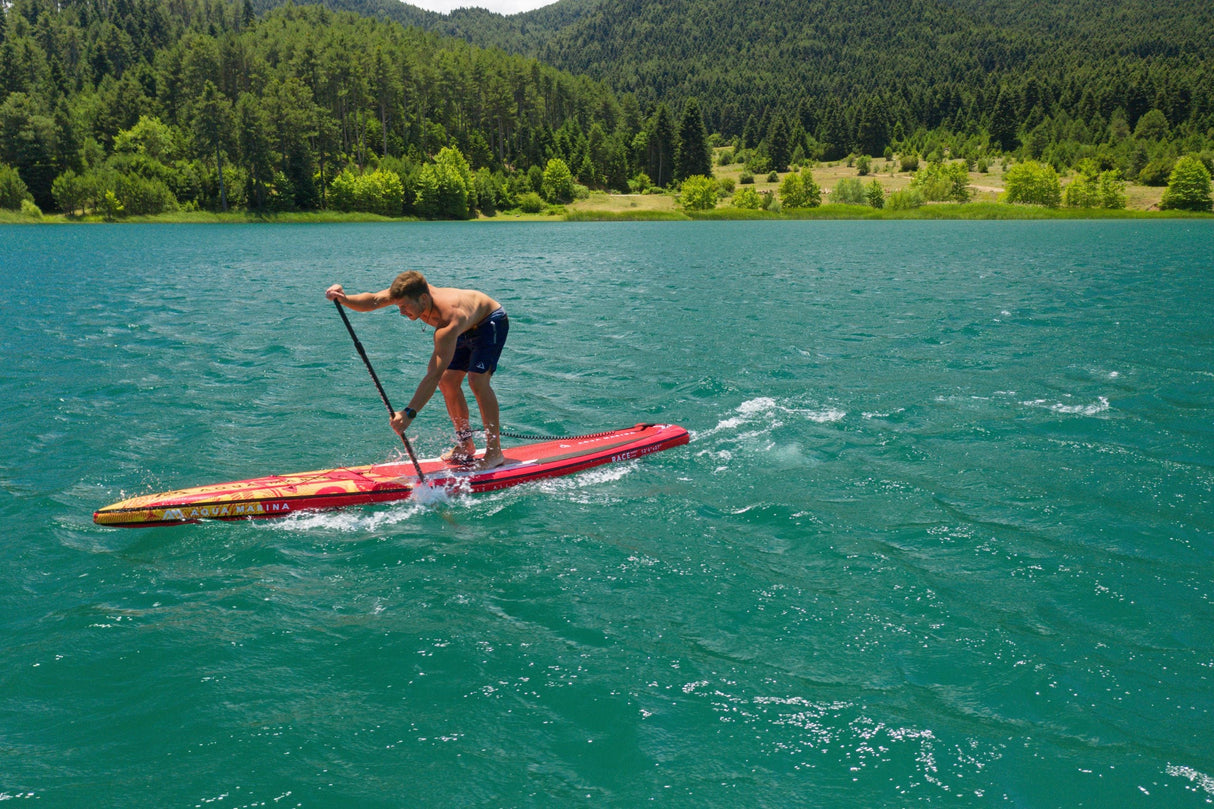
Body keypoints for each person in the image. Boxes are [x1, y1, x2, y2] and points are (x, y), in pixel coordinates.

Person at [325, 271, 509, 470]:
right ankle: (466, 444)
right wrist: (344, 299)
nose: (401, 311)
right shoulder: (409, 291)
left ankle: (494, 452)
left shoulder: (448, 320)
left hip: (488, 323)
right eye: (398, 306)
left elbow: (433, 374)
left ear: (423, 298)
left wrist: (408, 413)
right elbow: (374, 300)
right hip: (463, 328)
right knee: (447, 382)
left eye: (404, 306)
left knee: (477, 381)